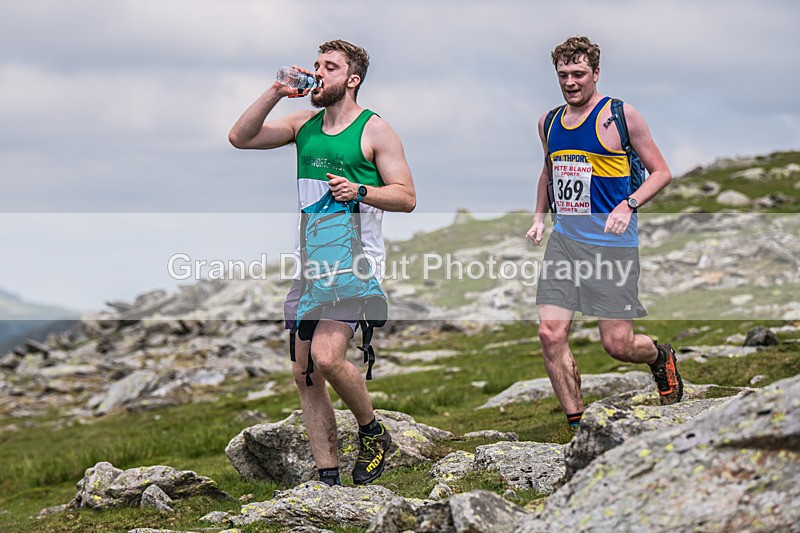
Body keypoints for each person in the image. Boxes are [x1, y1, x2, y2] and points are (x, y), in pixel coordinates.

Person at [229, 39, 416, 485]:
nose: (318, 73)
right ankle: (327, 478)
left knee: (328, 358)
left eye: (329, 67)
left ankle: (373, 433)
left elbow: (407, 197)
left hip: (356, 266)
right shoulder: (302, 125)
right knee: (304, 372)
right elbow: (241, 137)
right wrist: (277, 91)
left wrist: (361, 192)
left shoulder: (375, 131)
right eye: (316, 65)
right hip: (311, 269)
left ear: (352, 80)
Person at [526, 36, 682, 430]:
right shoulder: (549, 122)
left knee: (618, 345)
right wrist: (539, 217)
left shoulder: (621, 115)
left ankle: (659, 357)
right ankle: (578, 425)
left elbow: (661, 172)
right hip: (565, 243)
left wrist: (627, 205)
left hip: (612, 246)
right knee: (550, 332)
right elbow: (550, 170)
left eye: (578, 73)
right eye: (563, 75)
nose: (570, 82)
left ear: (596, 73)